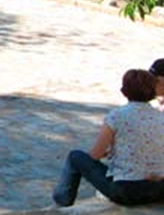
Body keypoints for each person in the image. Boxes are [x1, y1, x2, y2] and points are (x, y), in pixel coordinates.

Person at [53, 69, 164, 207]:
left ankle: (62, 201)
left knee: (75, 157)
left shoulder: (117, 116)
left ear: (124, 91)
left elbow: (95, 155)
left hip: (127, 191)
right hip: (159, 189)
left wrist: (109, 152)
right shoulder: (161, 116)